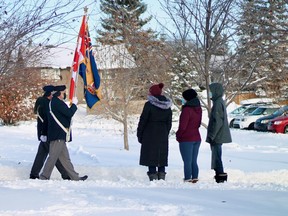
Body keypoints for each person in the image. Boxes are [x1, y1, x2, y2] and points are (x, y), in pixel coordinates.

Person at [39, 85, 88, 181]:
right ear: (58, 94)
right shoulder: (57, 103)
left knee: (65, 159)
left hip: (59, 135)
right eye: (63, 92)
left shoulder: (54, 102)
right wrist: (74, 105)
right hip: (57, 135)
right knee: (52, 157)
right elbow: (69, 113)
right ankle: (44, 177)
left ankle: (75, 177)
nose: (64, 94)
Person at [30, 85, 70, 180]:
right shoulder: (46, 104)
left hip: (45, 133)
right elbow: (46, 120)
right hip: (48, 133)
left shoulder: (43, 103)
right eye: (53, 93)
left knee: (43, 154)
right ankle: (65, 175)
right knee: (54, 156)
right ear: (49, 94)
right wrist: (44, 133)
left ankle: (34, 174)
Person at [137, 83, 172, 181]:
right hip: (163, 133)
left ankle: (152, 174)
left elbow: (143, 120)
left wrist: (140, 134)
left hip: (150, 133)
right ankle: (161, 175)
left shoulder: (149, 105)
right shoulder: (167, 106)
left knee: (150, 154)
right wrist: (166, 132)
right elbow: (169, 122)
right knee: (161, 154)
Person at [206, 83, 232, 183]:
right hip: (218, 134)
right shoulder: (219, 102)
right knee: (216, 155)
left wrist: (212, 135)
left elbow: (217, 121)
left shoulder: (218, 103)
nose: (209, 93)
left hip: (217, 135)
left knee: (216, 156)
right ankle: (219, 174)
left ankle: (220, 176)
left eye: (211, 91)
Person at [176, 89, 202, 183]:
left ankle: (187, 178)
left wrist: (178, 135)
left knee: (187, 161)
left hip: (186, 138)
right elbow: (198, 124)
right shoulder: (198, 108)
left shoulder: (187, 109)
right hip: (197, 137)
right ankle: (195, 177)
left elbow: (183, 126)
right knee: (194, 160)